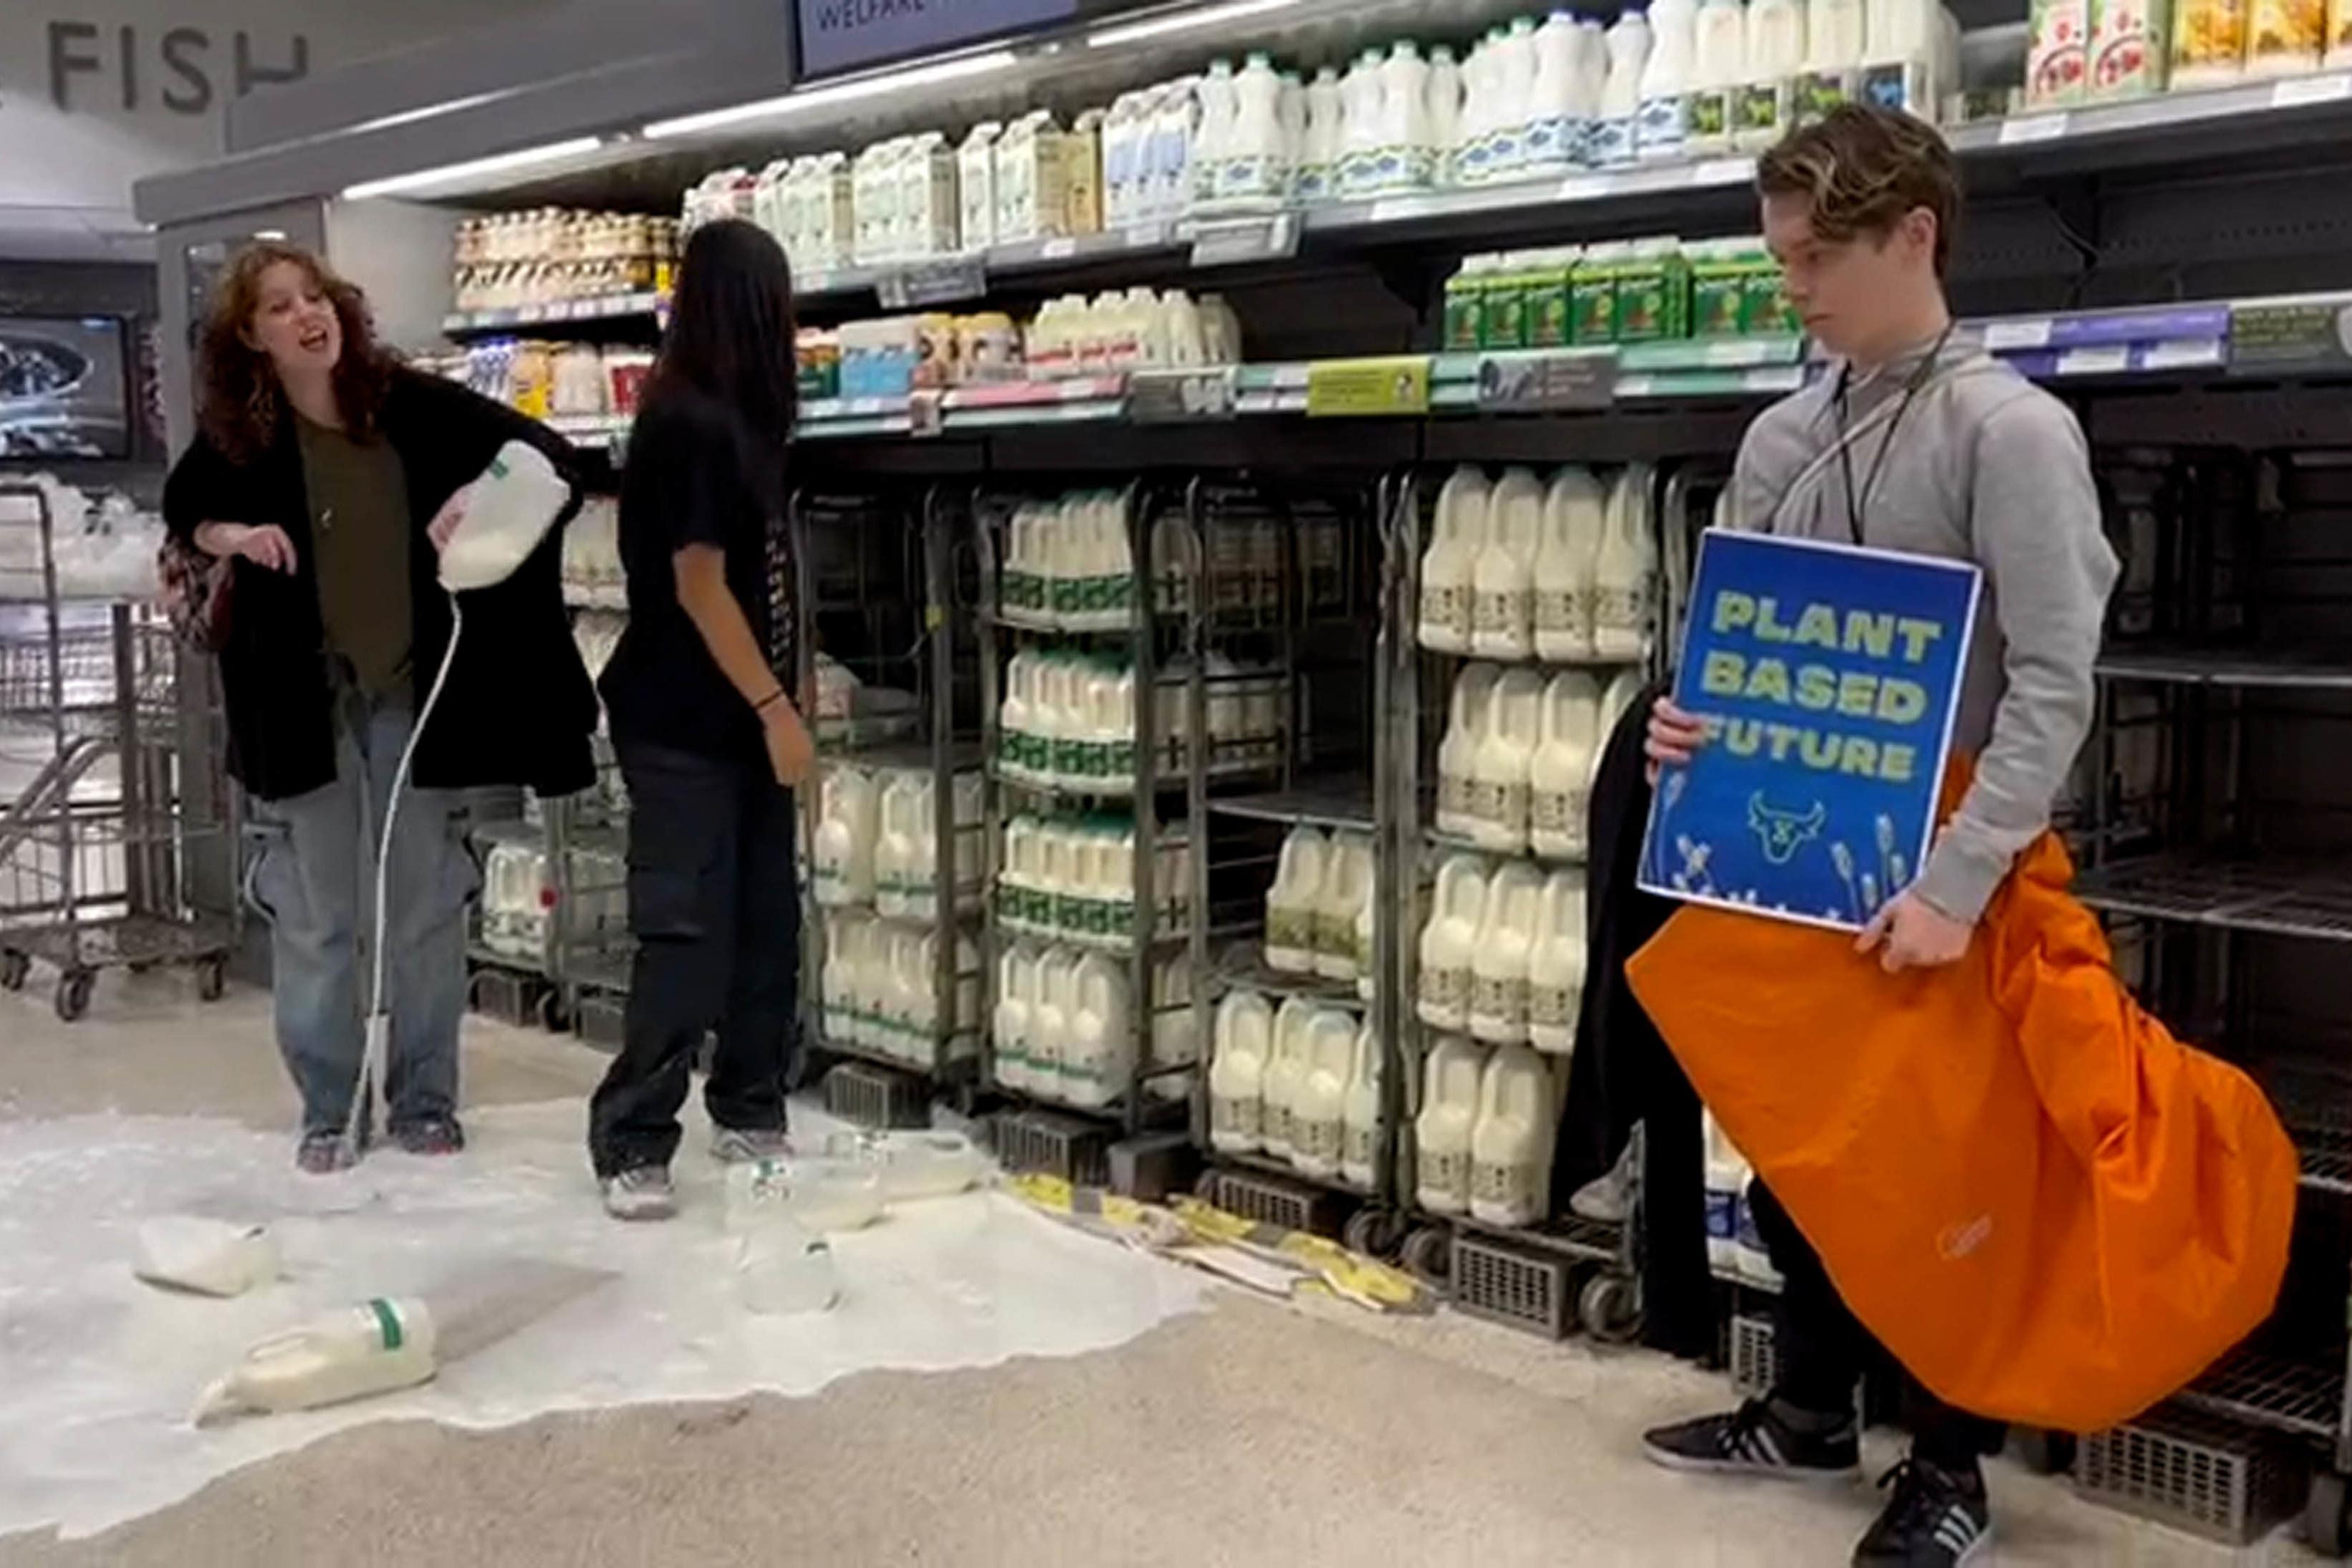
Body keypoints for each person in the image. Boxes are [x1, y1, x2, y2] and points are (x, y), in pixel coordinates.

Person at [1638, 106, 2118, 1567]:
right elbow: (1733, 650)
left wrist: (1957, 887)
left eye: (1817, 254)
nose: (1793, 283)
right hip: (1795, 862)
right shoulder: (1783, 433)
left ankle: (1953, 1467)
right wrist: (1683, 727)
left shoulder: (2011, 434)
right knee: (1801, 1154)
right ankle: (1809, 1410)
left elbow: (2052, 684)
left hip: (1946, 869)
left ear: (1916, 234)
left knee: (1941, 1178)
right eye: (1779, 256)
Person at [163, 241, 596, 1173]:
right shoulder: (245, 432)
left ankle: (425, 1099)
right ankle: (330, 1106)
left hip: (413, 693)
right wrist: (232, 533)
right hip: (300, 702)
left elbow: (552, 456)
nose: (305, 314)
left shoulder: (406, 403)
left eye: (314, 296)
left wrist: (481, 498)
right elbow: (185, 505)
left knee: (424, 905)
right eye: (279, 306)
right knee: (321, 915)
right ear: (251, 334)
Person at [588, 218, 814, 1221]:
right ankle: (632, 1136)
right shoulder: (686, 420)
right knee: (685, 932)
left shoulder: (742, 418)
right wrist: (773, 705)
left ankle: (751, 1105)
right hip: (684, 719)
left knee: (768, 919)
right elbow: (699, 583)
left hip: (744, 713)